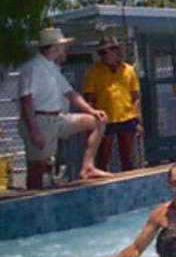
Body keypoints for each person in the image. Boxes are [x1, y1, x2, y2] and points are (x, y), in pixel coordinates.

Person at [17, 27, 112, 188]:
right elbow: (26, 100)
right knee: (38, 167)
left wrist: (93, 111)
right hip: (39, 121)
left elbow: (71, 94)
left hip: (58, 118)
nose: (65, 48)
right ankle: (33, 203)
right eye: (63, 45)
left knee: (96, 122)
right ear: (54, 47)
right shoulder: (33, 67)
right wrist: (34, 132)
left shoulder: (53, 67)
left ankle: (87, 167)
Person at [82, 35, 143, 172]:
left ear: (115, 51)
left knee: (128, 158)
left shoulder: (128, 70)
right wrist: (91, 122)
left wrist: (138, 121)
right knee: (103, 157)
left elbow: (135, 97)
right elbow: (89, 100)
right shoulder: (93, 72)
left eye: (106, 51)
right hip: (104, 119)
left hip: (126, 117)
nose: (103, 55)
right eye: (100, 53)